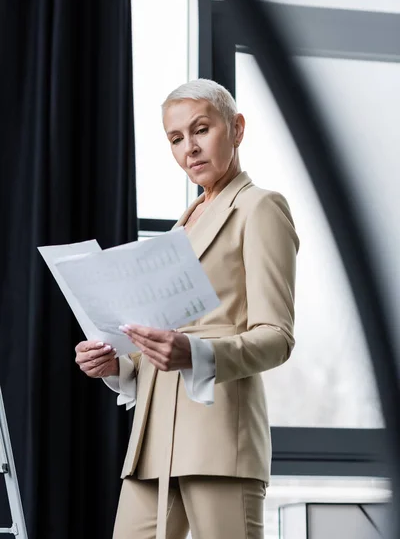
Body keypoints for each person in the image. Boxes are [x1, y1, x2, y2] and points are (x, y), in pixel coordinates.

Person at [75, 79, 299, 539]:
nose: (189, 148)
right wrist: (116, 364)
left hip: (220, 438)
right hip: (152, 441)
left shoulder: (260, 208)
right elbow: (163, 337)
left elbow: (277, 336)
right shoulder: (183, 224)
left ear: (236, 128)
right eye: (176, 139)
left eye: (201, 130)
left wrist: (195, 354)